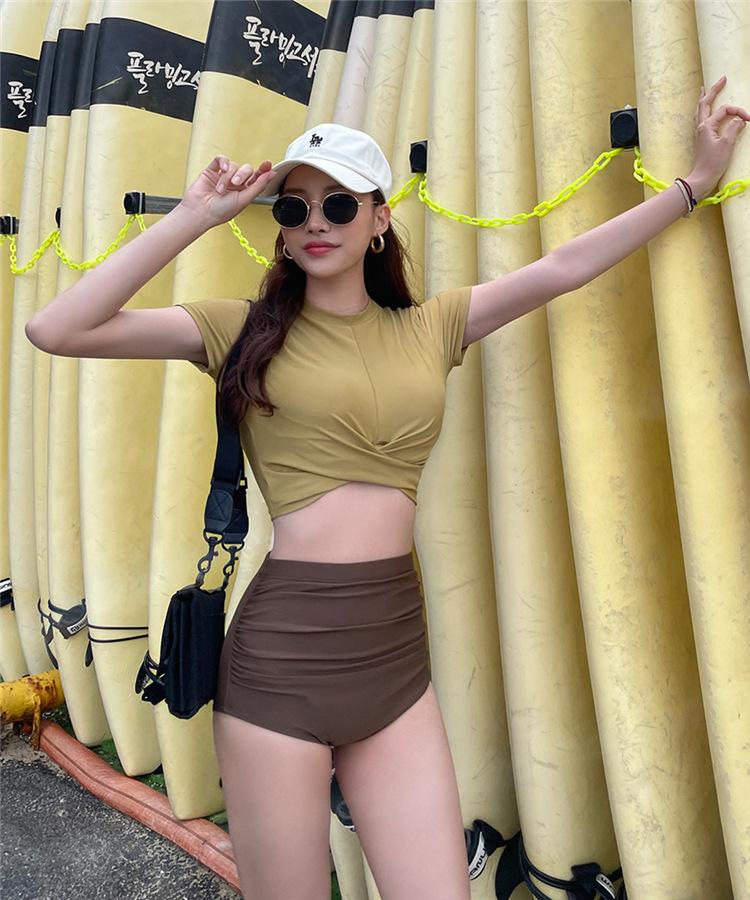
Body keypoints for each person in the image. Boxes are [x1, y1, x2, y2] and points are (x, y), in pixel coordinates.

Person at [25, 77, 747, 900]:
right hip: (282, 663)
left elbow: (564, 266)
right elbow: (57, 328)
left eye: (340, 205)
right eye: (294, 208)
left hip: (395, 657)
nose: (316, 223)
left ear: (380, 219)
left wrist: (692, 184)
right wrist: (195, 215)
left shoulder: (432, 327)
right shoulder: (238, 330)